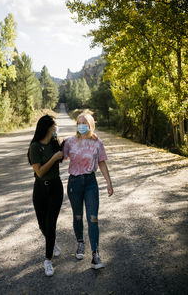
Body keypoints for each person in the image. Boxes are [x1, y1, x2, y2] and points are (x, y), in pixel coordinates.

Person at [63, 112, 113, 269]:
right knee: (78, 216)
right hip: (74, 183)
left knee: (93, 218)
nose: (81, 125)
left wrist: (109, 183)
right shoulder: (70, 142)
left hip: (91, 183)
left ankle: (95, 255)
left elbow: (102, 163)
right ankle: (80, 243)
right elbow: (58, 157)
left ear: (90, 125)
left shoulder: (97, 143)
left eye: (84, 122)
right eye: (79, 122)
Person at [27, 115, 64, 277]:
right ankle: (52, 242)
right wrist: (54, 158)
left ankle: (47, 260)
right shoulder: (34, 147)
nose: (56, 127)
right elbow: (40, 172)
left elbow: (77, 141)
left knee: (51, 224)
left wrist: (90, 136)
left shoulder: (56, 143)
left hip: (56, 187)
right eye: (55, 125)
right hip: (40, 189)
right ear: (49, 127)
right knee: (42, 224)